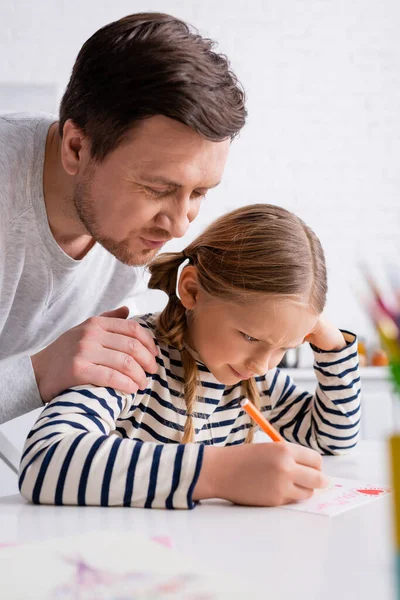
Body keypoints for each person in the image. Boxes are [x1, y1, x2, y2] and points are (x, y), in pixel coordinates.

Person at [19, 204, 361, 509]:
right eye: (249, 336)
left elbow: (332, 439)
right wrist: (218, 473)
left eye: (285, 347)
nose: (263, 363)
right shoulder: (132, 355)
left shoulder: (252, 375)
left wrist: (332, 349)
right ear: (192, 290)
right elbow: (44, 462)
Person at [0, 12, 246, 423]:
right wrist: (41, 371)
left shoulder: (127, 234)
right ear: (77, 148)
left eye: (199, 193)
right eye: (158, 189)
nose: (179, 225)